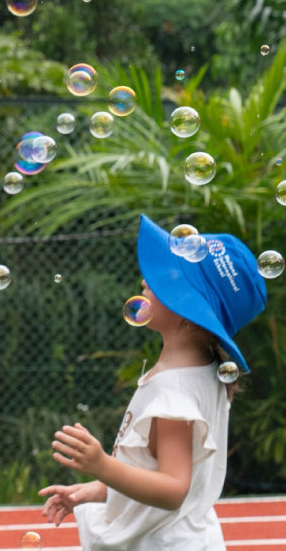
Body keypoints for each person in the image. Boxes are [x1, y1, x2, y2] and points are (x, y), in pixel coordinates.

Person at [38, 215, 267, 550]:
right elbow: (148, 469)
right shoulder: (202, 373)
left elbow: (173, 488)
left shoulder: (173, 392)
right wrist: (97, 489)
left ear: (188, 308)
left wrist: (101, 465)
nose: (146, 279)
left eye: (164, 276)